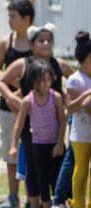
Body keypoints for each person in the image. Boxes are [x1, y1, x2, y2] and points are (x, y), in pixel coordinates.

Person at [0, 23, 74, 208]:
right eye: (41, 40)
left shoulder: (59, 64)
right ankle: (34, 203)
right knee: (33, 167)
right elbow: (0, 81)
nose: (46, 43)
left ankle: (58, 201)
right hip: (30, 127)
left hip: (54, 129)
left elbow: (75, 82)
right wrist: (11, 97)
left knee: (55, 166)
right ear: (31, 44)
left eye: (49, 40)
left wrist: (67, 99)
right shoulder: (22, 64)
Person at [0, 0, 34, 208]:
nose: (9, 20)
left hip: (34, 108)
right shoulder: (5, 42)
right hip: (9, 105)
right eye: (9, 16)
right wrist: (13, 78)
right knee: (10, 151)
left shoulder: (37, 42)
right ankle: (12, 196)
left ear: (27, 19)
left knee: (32, 151)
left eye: (13, 16)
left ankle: (31, 195)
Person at [10, 59, 67, 208]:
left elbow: (62, 121)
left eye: (49, 80)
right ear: (34, 80)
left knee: (57, 178)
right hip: (38, 145)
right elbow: (20, 123)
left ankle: (60, 203)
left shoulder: (56, 97)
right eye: (42, 80)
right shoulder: (28, 100)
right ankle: (46, 205)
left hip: (54, 144)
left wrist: (60, 143)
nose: (47, 83)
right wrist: (13, 145)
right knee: (41, 179)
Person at [66, 31, 91, 208]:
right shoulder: (75, 80)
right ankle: (78, 205)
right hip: (80, 136)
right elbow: (70, 108)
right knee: (81, 173)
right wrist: (86, 96)